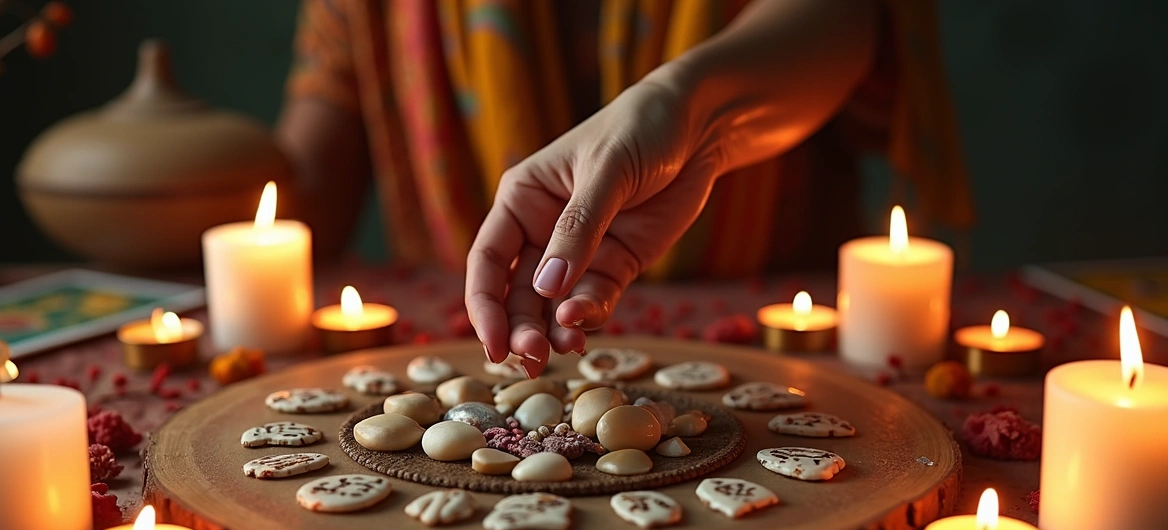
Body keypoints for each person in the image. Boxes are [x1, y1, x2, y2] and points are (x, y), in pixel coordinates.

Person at [277, 0, 972, 376]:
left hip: (782, 347)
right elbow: (311, 175)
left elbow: (847, 19)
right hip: (492, 332)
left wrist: (686, 105)